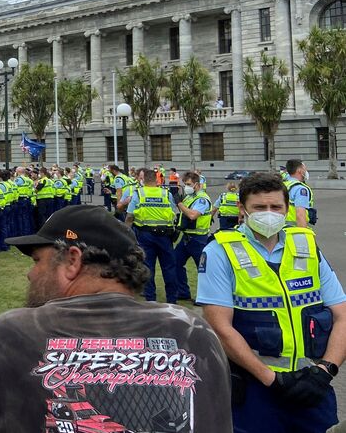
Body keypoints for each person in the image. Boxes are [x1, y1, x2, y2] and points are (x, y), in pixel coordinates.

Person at [0, 204, 232, 432]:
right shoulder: (192, 332)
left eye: (37, 261)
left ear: (73, 260)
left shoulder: (11, 335)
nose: (31, 274)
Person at [197, 172, 345, 432]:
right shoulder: (220, 251)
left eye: (276, 207)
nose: (269, 213)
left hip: (313, 384)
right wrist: (272, 380)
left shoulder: (307, 247)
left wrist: (326, 370)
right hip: (256, 389)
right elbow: (220, 328)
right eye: (260, 207)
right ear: (242, 209)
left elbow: (342, 315)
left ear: (287, 208)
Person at [124, 168, 178, 303]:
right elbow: (173, 213)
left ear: (143, 180)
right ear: (157, 180)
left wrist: (126, 233)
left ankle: (151, 300)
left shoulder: (139, 193)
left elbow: (130, 216)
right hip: (165, 235)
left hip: (145, 235)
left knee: (148, 267)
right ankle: (172, 300)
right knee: (169, 268)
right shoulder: (166, 194)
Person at [174, 171, 213, 302]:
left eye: (189, 184)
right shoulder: (190, 197)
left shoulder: (202, 199)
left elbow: (192, 215)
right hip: (187, 237)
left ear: (197, 184)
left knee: (202, 269)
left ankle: (206, 298)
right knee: (175, 262)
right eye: (185, 184)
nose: (186, 187)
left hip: (198, 239)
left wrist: (179, 204)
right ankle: (183, 292)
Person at [284, 158, 315, 227]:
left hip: (281, 230)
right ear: (300, 170)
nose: (306, 172)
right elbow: (300, 215)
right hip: (294, 231)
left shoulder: (284, 184)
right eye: (305, 169)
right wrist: (303, 233)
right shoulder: (300, 189)